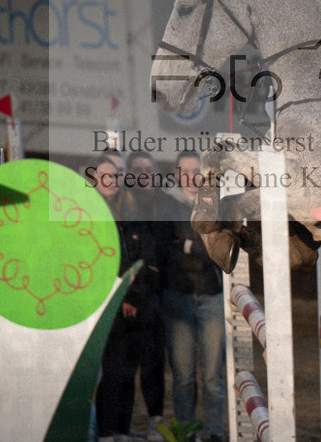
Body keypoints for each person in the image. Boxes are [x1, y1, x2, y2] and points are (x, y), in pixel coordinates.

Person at [91, 151, 165, 442]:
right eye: (106, 176)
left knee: (127, 372)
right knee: (111, 373)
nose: (111, 181)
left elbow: (146, 259)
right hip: (107, 307)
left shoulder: (131, 213)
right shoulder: (88, 214)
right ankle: (107, 432)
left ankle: (121, 431)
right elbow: (98, 264)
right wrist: (121, 297)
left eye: (116, 176)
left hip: (136, 305)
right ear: (96, 179)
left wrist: (135, 294)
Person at [161, 151, 226, 442]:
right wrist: (197, 249)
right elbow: (166, 252)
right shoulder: (167, 205)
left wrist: (187, 246)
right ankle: (185, 433)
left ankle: (214, 433)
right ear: (177, 174)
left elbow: (218, 252)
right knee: (184, 377)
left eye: (195, 171)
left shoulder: (216, 206)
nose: (190, 178)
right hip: (178, 300)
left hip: (212, 297)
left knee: (212, 377)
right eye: (184, 171)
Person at [125, 151, 174, 442]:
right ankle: (121, 426)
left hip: (160, 297)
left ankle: (156, 421)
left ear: (156, 173)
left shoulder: (168, 205)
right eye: (137, 169)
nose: (144, 174)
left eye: (148, 168)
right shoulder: (124, 206)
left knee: (154, 364)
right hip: (131, 297)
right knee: (125, 366)